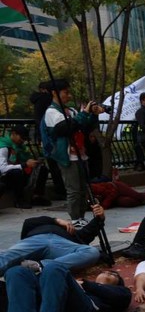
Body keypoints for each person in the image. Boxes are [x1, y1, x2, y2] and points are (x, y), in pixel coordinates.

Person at [43, 79, 98, 223]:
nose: (69, 96)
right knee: (73, 190)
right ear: (55, 93)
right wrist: (83, 114)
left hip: (81, 153)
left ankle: (81, 217)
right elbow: (64, 128)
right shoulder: (51, 112)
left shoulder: (71, 110)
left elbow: (84, 127)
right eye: (66, 92)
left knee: (82, 189)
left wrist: (93, 114)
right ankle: (75, 219)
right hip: (67, 155)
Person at [0, 205, 106, 273]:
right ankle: (41, 265)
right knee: (5, 257)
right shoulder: (41, 225)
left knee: (92, 252)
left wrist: (99, 218)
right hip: (36, 240)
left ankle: (39, 266)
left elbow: (87, 233)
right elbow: (29, 222)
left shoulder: (74, 234)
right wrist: (56, 220)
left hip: (62, 245)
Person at [0, 125, 38, 208]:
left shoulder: (20, 147)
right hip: (4, 176)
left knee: (42, 169)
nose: (23, 141)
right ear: (13, 134)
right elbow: (2, 168)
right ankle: (19, 200)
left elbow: (25, 159)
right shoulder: (3, 147)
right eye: (22, 138)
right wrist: (24, 165)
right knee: (16, 172)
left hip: (19, 172)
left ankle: (37, 196)